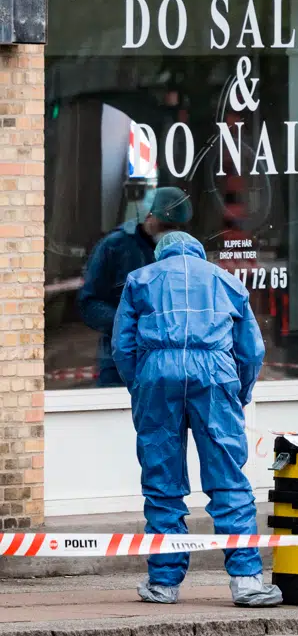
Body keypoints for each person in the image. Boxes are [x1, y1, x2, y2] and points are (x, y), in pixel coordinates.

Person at [112, 231, 279, 607]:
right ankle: (247, 581)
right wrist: (242, 391)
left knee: (162, 478)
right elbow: (251, 350)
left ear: (162, 252)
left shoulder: (141, 279)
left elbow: (122, 346)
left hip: (158, 370)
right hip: (215, 371)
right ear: (200, 252)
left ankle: (163, 584)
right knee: (228, 478)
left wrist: (139, 386)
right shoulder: (226, 281)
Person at [78, 186, 193, 387]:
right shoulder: (115, 246)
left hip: (167, 360)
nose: (170, 232)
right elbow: (89, 303)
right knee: (116, 414)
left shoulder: (184, 249)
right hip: (120, 360)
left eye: (176, 227)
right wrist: (129, 324)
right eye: (165, 225)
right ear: (149, 215)